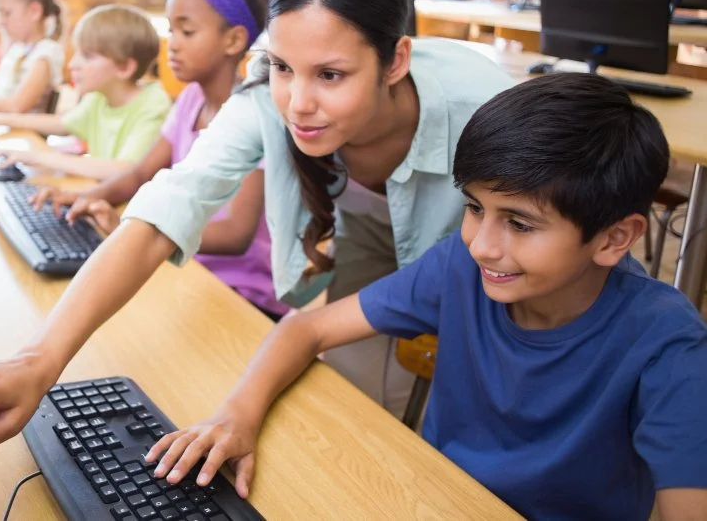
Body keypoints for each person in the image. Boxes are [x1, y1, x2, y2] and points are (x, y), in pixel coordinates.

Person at [0, 0, 513, 459]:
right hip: (366, 223)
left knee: (466, 392)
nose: (297, 102)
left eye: (331, 74)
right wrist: (38, 359)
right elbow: (169, 206)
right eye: (283, 67)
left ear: (395, 59)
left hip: (485, 248)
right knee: (354, 406)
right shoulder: (268, 102)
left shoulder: (483, 108)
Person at [144, 73, 707, 521]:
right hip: (428, 499)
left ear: (614, 238)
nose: (482, 245)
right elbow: (306, 329)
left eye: (520, 223)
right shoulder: (458, 269)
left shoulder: (667, 343)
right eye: (475, 207)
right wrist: (236, 416)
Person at [35, 0, 282, 318]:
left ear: (233, 40)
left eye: (187, 31)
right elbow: (140, 174)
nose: (173, 44)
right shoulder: (190, 99)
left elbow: (235, 234)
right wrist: (86, 198)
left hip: (241, 292)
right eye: (171, 30)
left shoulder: (254, 115)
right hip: (183, 264)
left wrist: (133, 227)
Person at [0, 4, 172, 181]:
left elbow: (124, 169)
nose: (72, 65)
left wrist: (40, 157)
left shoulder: (153, 105)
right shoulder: (100, 96)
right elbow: (61, 123)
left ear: (125, 68)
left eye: (88, 56)